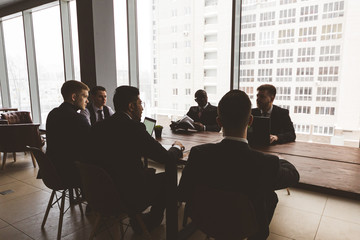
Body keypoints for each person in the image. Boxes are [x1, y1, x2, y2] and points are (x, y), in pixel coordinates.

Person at [178, 90, 299, 240]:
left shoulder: (198, 154)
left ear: (219, 122)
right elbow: (294, 176)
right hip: (248, 228)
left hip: (207, 223)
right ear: (250, 121)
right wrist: (280, 159)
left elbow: (183, 193)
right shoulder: (266, 163)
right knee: (270, 196)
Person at [90, 86, 184, 233]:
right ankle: (151, 221)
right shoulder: (133, 127)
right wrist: (176, 147)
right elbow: (165, 157)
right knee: (167, 178)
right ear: (131, 106)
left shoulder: (98, 127)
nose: (141, 107)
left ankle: (140, 219)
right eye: (140, 103)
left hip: (100, 194)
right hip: (128, 196)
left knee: (147, 173)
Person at [46, 80, 91, 186]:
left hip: (52, 170)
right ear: (74, 97)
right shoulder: (78, 118)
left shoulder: (53, 113)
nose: (87, 101)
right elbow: (92, 143)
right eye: (85, 97)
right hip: (71, 173)